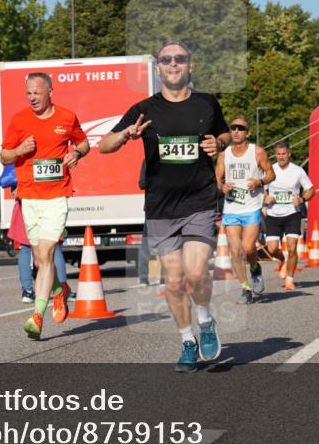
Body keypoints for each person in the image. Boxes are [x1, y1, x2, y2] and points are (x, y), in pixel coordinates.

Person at [99, 40, 230, 372]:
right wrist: (127, 134)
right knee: (173, 281)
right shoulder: (145, 109)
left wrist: (219, 143)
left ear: (190, 66)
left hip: (199, 199)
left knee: (197, 271)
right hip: (160, 206)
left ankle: (205, 319)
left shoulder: (207, 104)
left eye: (180, 59)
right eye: (166, 59)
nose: (173, 64)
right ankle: (188, 341)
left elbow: (225, 135)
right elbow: (104, 146)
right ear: (158, 67)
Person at [1, 72, 89, 340]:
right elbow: (4, 155)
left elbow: (83, 143)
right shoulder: (19, 120)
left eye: (37, 93)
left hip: (57, 195)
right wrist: (19, 151)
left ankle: (37, 317)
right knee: (39, 258)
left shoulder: (66, 117)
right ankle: (60, 290)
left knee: (48, 252)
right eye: (28, 94)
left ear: (50, 91)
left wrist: (75, 153)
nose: (32, 98)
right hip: (29, 196)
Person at [217, 115, 275, 304]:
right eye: (233, 128)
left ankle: (255, 268)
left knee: (248, 247)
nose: (236, 131)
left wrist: (259, 181)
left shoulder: (257, 152)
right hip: (231, 208)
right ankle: (245, 288)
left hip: (251, 207)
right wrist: (222, 187)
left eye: (240, 128)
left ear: (247, 133)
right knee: (235, 251)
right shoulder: (224, 155)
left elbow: (271, 174)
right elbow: (217, 180)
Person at [263, 141, 313, 291]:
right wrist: (266, 198)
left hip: (292, 213)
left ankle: (290, 280)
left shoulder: (297, 171)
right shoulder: (269, 170)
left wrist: (302, 199)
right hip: (273, 214)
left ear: (289, 153)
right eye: (278, 154)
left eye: (284, 154)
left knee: (292, 249)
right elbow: (261, 189)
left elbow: (311, 189)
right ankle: (282, 260)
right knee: (272, 249)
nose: (281, 157)